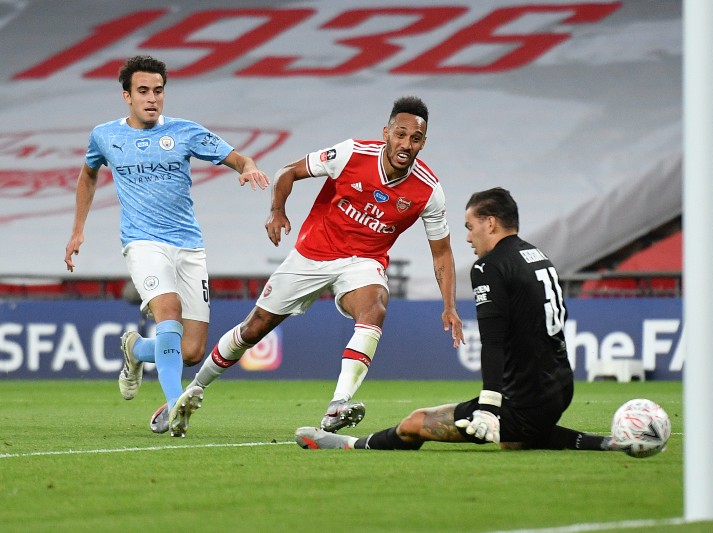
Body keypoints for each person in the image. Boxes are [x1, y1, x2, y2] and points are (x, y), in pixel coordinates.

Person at [179, 95, 464, 434]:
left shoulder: (428, 191)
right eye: (400, 134)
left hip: (363, 261)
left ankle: (337, 405)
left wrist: (449, 305)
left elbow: (442, 253)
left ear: (423, 143)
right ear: (386, 132)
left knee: (375, 307)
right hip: (313, 253)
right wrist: (277, 210)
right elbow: (289, 171)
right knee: (253, 330)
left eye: (415, 139)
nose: (406, 144)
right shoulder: (351, 154)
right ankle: (195, 388)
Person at [295, 187, 622, 453]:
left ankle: (351, 444)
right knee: (520, 437)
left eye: (470, 227)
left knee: (415, 423)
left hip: (521, 398)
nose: (467, 238)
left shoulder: (489, 267)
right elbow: (558, 320)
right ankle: (608, 443)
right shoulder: (537, 257)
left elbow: (492, 342)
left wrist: (489, 407)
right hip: (558, 391)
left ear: (490, 223)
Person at [64, 55, 270, 437]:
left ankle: (136, 350)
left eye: (158, 91)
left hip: (189, 246)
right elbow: (88, 175)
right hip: (142, 243)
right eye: (143, 91)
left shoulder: (185, 132)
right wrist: (78, 229)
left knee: (191, 351)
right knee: (168, 312)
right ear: (126, 95)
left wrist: (249, 168)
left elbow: (239, 158)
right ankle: (177, 405)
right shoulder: (105, 135)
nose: (152, 98)